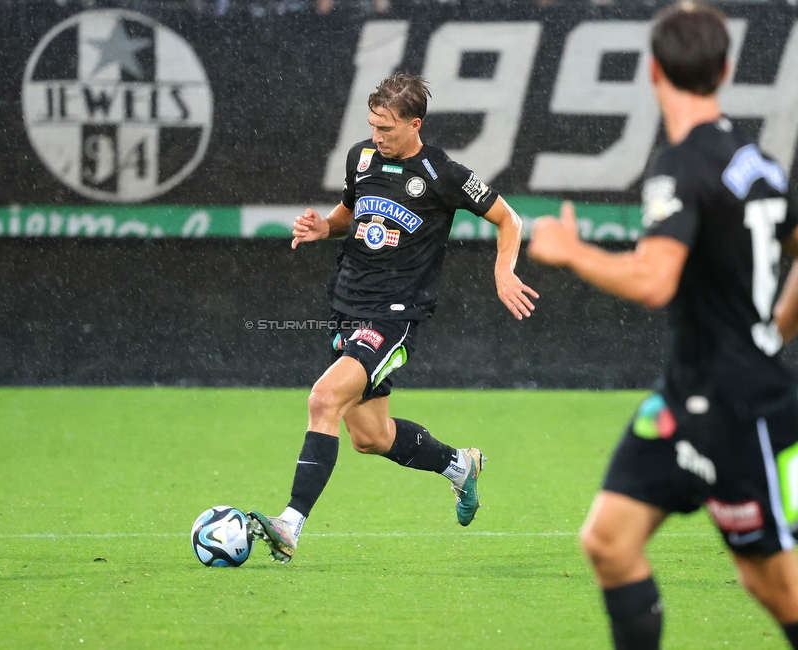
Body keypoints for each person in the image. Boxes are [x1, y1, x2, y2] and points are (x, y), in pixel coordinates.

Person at [528, 3, 798, 648]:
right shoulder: (755, 162)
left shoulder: (682, 165)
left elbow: (654, 281)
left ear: (652, 71)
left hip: (739, 408)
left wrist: (571, 252)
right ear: (726, 69)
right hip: (685, 399)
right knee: (608, 542)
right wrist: (774, 330)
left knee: (772, 585)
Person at [246, 73, 537, 564]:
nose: (376, 136)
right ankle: (458, 466)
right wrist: (324, 228)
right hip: (346, 305)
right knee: (371, 438)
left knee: (323, 400)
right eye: (372, 125)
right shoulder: (361, 158)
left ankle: (289, 524)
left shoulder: (442, 172)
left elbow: (509, 218)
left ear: (414, 124)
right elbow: (349, 214)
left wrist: (503, 270)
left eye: (386, 127)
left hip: (394, 316)